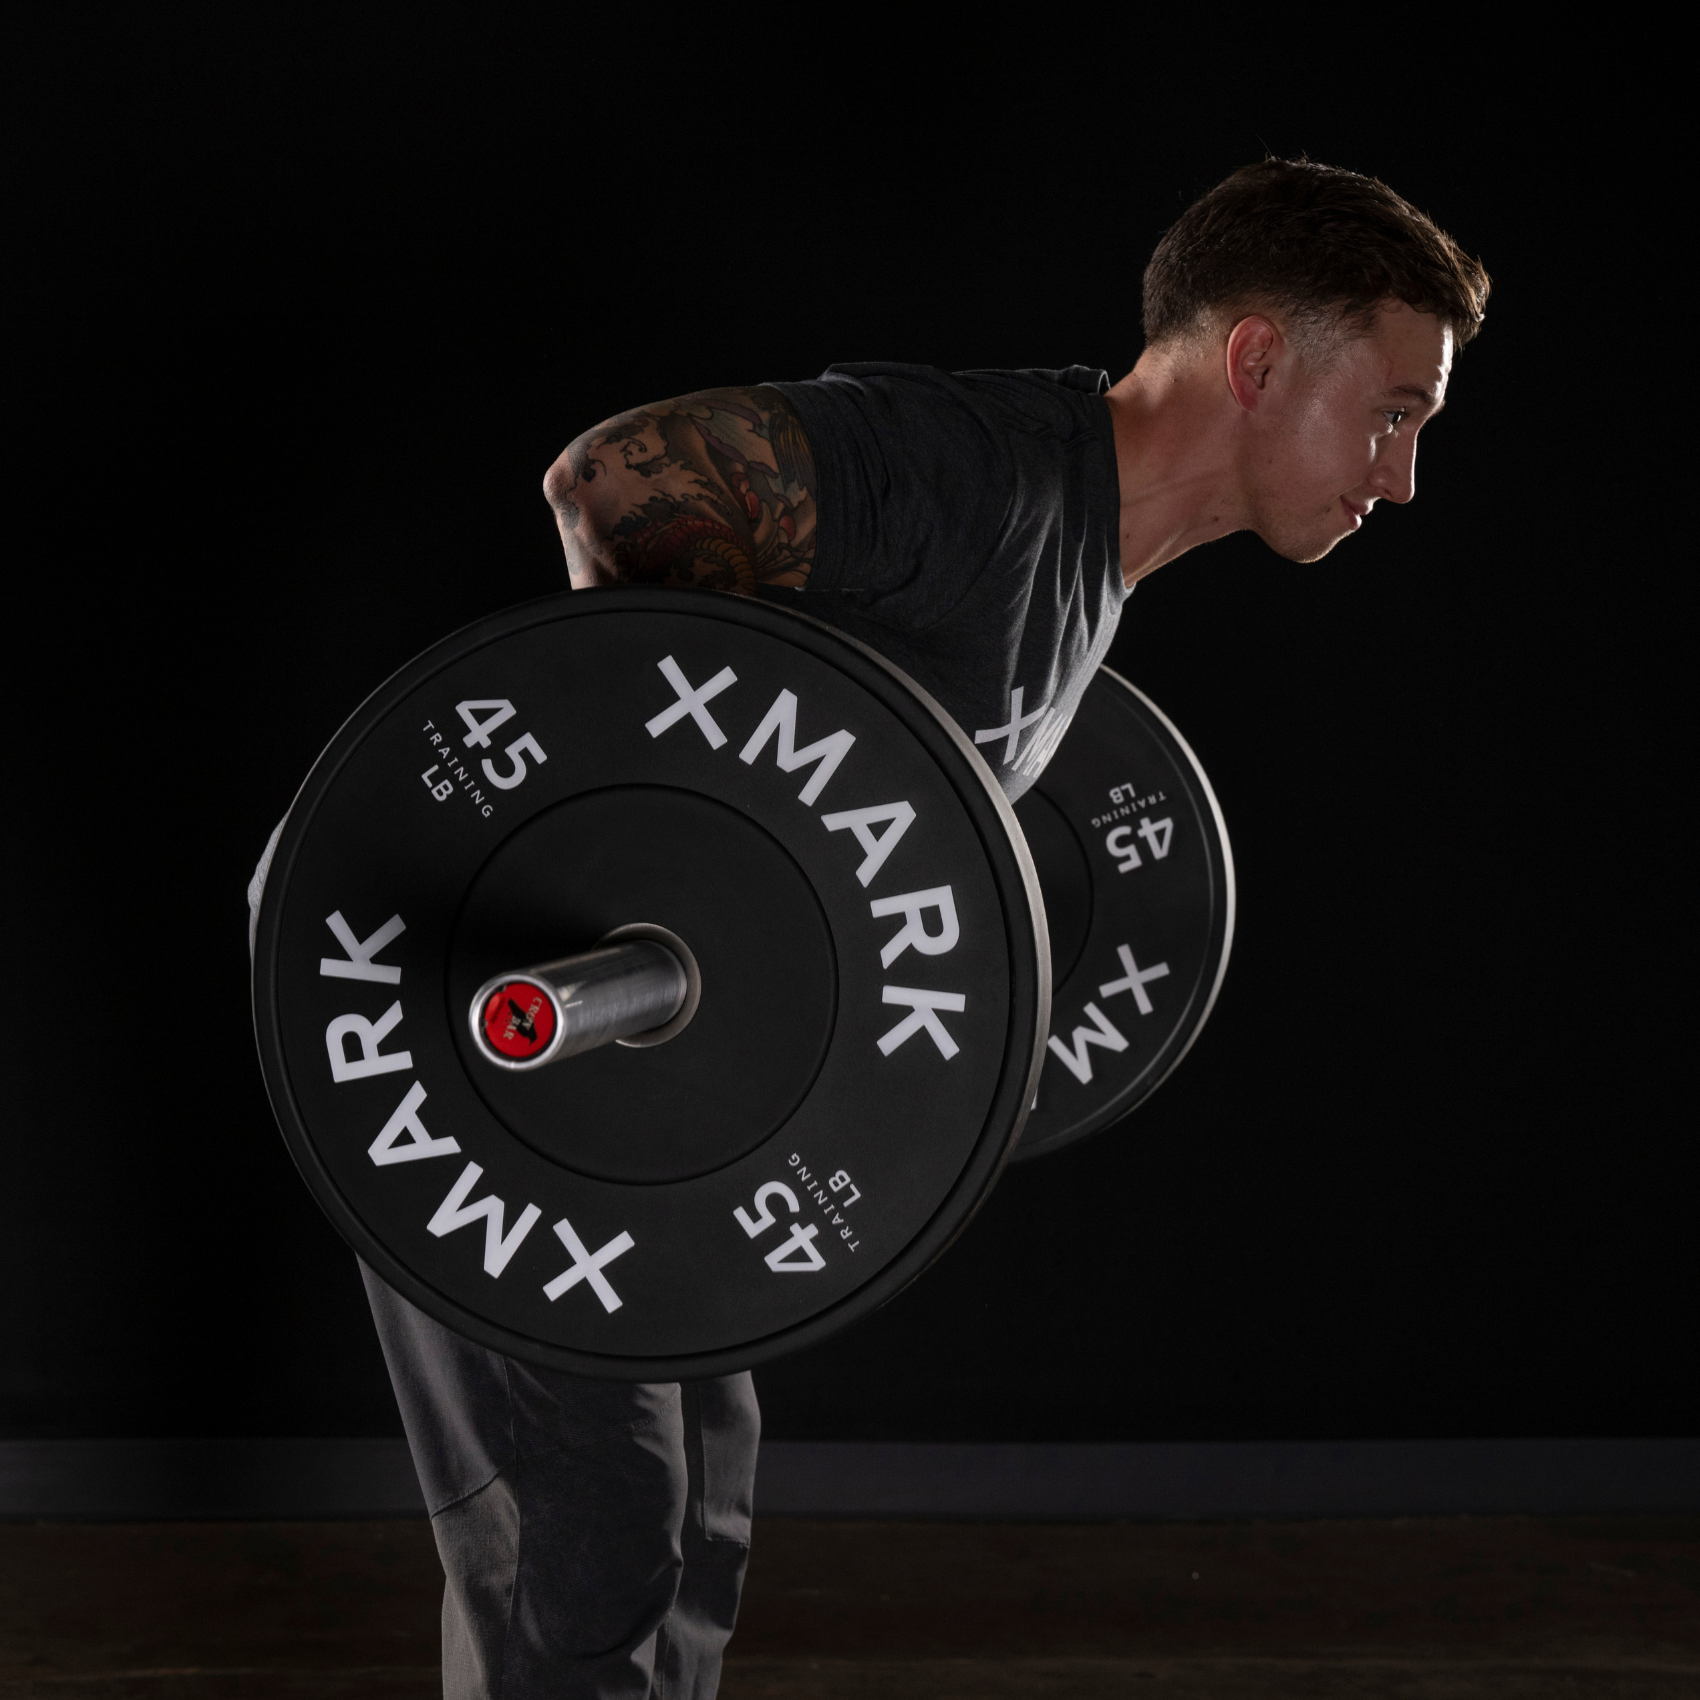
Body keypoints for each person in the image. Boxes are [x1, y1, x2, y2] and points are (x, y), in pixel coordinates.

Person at [343, 158, 1489, 1698]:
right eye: (1395, 411)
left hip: (654, 1065)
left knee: (692, 1510)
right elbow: (612, 482)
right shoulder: (990, 471)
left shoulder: (1086, 563)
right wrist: (688, 837)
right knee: (587, 1536)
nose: (1401, 474)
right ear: (1259, 359)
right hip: (484, 1011)